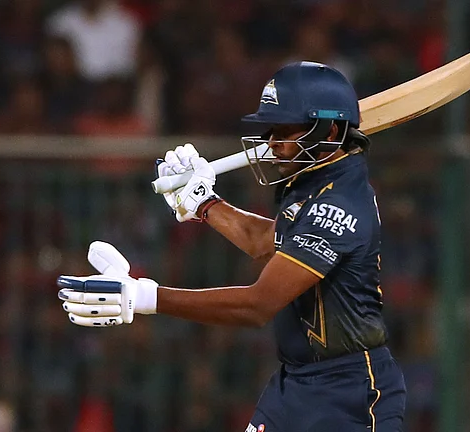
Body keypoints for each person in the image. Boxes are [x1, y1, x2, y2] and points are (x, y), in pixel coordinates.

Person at [57, 61, 407, 431]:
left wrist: (146, 297)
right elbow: (263, 240)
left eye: (284, 131)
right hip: (296, 383)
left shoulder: (339, 204)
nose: (272, 143)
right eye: (270, 130)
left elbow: (257, 305)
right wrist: (205, 204)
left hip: (348, 395)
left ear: (331, 131)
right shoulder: (314, 180)